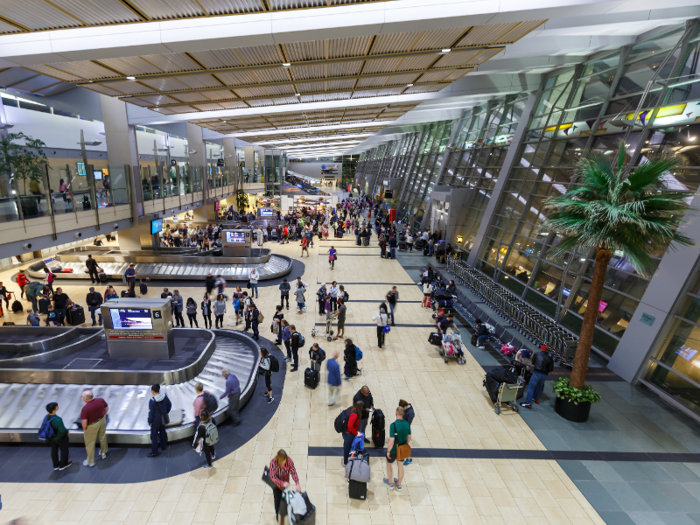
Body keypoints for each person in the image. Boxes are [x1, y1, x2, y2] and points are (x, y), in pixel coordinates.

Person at [269, 450, 301, 525]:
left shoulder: (289, 461)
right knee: (277, 501)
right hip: (277, 486)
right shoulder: (273, 462)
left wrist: (297, 483)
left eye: (285, 461)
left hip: (286, 486)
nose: (284, 463)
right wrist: (282, 483)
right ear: (279, 460)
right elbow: (272, 477)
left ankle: (289, 515)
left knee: (289, 499)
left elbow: (293, 472)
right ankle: (278, 516)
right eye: (283, 462)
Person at [383, 406, 411, 491]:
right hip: (402, 450)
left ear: (396, 413)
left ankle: (390, 483)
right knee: (400, 467)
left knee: (389, 465)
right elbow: (409, 437)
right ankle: (399, 484)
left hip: (394, 450)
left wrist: (388, 451)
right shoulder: (407, 424)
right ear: (403, 414)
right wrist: (405, 444)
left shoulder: (393, 425)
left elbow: (391, 441)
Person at [80, 390, 108, 467]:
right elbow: (106, 408)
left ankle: (90, 461)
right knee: (102, 437)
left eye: (82, 397)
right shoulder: (101, 400)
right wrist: (103, 415)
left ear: (86, 398)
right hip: (102, 420)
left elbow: (84, 421)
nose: (82, 399)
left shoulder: (85, 408)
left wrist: (84, 428)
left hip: (91, 425)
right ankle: (103, 452)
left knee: (90, 443)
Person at [44, 402, 72, 471]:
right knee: (64, 449)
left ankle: (55, 465)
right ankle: (63, 465)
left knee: (54, 450)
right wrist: (67, 431)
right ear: (54, 409)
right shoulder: (58, 420)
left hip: (51, 437)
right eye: (57, 406)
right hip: (60, 438)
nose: (58, 406)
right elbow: (62, 430)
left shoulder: (46, 417)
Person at [147, 384, 172, 458]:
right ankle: (163, 446)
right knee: (163, 432)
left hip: (155, 420)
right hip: (163, 419)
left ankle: (154, 452)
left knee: (154, 436)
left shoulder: (152, 401)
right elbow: (169, 405)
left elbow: (151, 413)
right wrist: (165, 412)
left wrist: (149, 421)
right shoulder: (165, 396)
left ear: (153, 391)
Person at [398, 400, 415, 466]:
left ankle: (409, 458)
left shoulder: (410, 413)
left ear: (405, 406)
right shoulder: (407, 406)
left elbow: (408, 424)